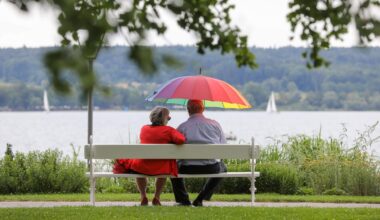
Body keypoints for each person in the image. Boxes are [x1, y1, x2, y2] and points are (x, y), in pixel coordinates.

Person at [113, 106, 185, 206]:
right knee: (163, 167)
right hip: (161, 168)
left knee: (137, 166)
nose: (169, 119)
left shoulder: (144, 129)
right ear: (164, 118)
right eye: (168, 117)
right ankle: (156, 197)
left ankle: (143, 196)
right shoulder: (169, 130)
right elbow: (181, 140)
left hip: (143, 166)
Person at [170, 99, 227, 207]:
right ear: (203, 109)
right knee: (223, 168)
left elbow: (173, 148)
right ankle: (200, 198)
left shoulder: (182, 127)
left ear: (188, 110)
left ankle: (184, 200)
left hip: (187, 168)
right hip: (211, 167)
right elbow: (223, 146)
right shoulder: (215, 125)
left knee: (173, 167)